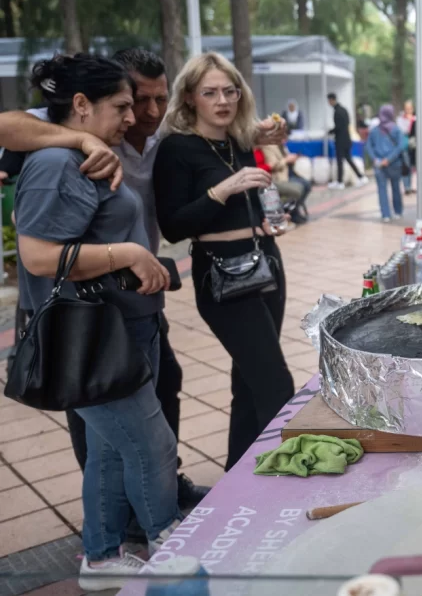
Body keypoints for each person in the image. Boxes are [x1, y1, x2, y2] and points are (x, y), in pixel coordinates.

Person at [0, 48, 215, 513]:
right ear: (83, 104)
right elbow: (38, 256)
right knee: (130, 438)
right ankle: (150, 531)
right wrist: (82, 143)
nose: (145, 114)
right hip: (92, 319)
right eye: (132, 102)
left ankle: (108, 547)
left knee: (126, 433)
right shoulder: (58, 149)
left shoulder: (152, 136)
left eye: (159, 100)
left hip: (132, 309)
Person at [14, 53, 180, 590]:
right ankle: (174, 556)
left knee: (109, 452)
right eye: (121, 106)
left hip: (124, 326)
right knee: (152, 445)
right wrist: (128, 253)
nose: (132, 117)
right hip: (93, 337)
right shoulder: (55, 163)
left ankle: (102, 559)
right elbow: (39, 256)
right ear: (80, 106)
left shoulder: (84, 154)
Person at [154, 52, 295, 471]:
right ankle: (281, 479)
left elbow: (251, 186)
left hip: (265, 260)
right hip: (220, 272)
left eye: (230, 90)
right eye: (210, 92)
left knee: (249, 383)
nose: (222, 100)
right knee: (275, 383)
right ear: (190, 98)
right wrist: (223, 190)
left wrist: (267, 220)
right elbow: (173, 226)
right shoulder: (176, 149)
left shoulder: (236, 142)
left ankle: (240, 476)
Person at [366, 103, 408, 223]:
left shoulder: (374, 131)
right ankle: (398, 211)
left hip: (379, 165)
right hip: (394, 163)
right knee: (396, 188)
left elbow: (368, 146)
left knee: (382, 189)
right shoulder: (396, 129)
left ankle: (385, 214)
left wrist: (375, 159)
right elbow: (401, 146)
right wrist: (389, 159)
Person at [259, 138, 311, 224]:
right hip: (279, 176)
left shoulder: (282, 146)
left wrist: (293, 158)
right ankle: (291, 212)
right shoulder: (268, 147)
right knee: (299, 188)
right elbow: (272, 165)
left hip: (288, 172)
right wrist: (287, 160)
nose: (284, 139)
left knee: (307, 185)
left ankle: (294, 210)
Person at [327, 92, 366, 189]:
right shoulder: (344, 110)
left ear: (332, 100)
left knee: (340, 161)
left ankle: (340, 182)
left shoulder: (337, 112)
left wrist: (331, 131)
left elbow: (339, 127)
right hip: (347, 138)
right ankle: (361, 176)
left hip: (340, 140)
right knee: (348, 159)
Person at [397, 99, 415, 195]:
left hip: (414, 146)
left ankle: (410, 186)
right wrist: (410, 122)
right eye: (407, 108)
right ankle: (406, 186)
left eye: (410, 108)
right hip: (405, 145)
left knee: (411, 166)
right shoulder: (401, 119)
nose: (409, 110)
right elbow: (403, 130)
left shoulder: (416, 118)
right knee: (406, 166)